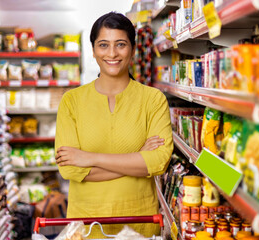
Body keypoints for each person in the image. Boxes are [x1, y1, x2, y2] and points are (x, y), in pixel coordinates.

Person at [54, 12, 173, 238]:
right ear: (93, 50)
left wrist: (90, 158)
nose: (112, 53)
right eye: (103, 45)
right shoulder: (71, 101)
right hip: (85, 224)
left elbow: (158, 162)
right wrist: (138, 158)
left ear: (133, 49)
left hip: (139, 221)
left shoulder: (153, 99)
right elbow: (69, 168)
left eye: (120, 44)